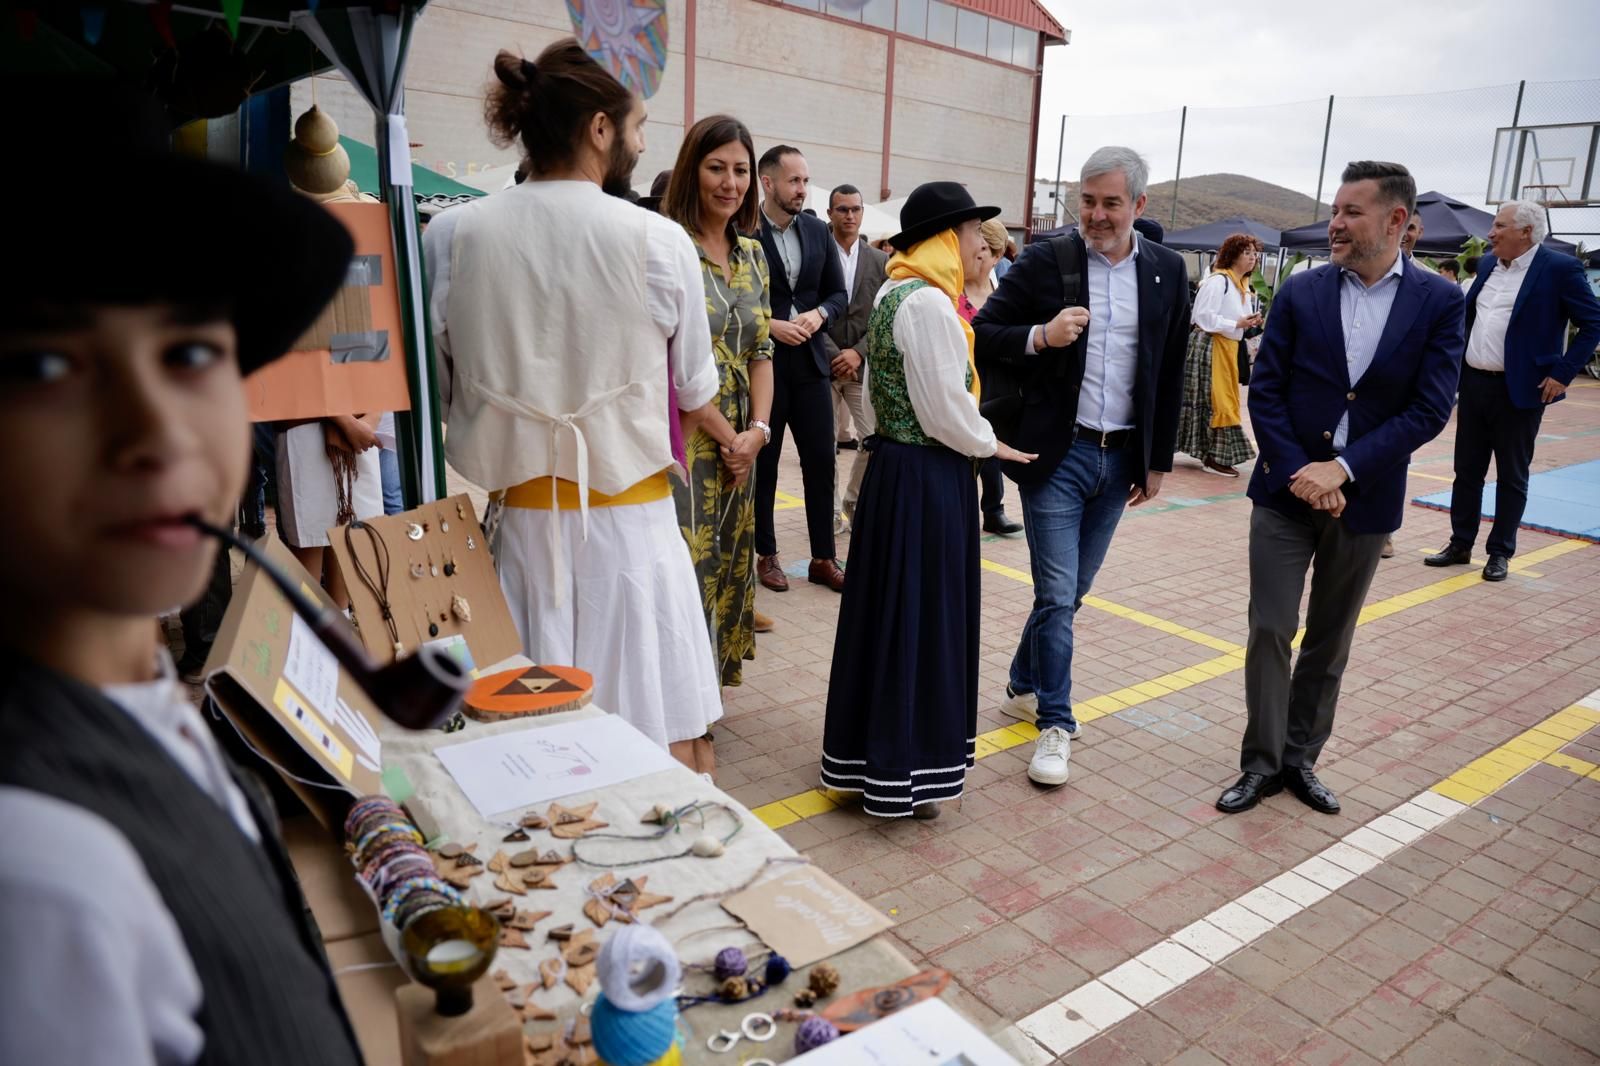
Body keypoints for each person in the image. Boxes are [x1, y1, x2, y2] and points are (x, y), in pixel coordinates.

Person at [0, 77, 364, 1065]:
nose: (157, 433)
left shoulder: (141, 696)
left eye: (192, 352)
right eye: (45, 368)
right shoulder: (39, 876)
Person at [424, 41, 724, 769]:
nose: (642, 142)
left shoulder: (453, 234)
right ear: (599, 128)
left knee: (529, 756)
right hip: (634, 536)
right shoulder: (659, 241)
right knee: (655, 753)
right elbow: (694, 392)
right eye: (638, 125)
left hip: (520, 533)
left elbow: (439, 390)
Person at [1216, 161, 1465, 816]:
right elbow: (1267, 391)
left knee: (1330, 640)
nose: (1336, 223)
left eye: (1352, 212)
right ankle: (1261, 763)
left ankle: (1299, 759)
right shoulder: (1302, 291)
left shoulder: (1440, 302)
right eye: (1335, 210)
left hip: (1365, 497)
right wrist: (1303, 470)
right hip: (1283, 490)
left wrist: (1344, 470)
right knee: (1271, 627)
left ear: (1396, 220)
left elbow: (1429, 408)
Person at [973, 146, 1190, 788]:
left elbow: (1169, 370)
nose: (1095, 215)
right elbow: (983, 332)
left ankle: (1022, 681)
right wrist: (1040, 335)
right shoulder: (1048, 259)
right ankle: (1056, 723)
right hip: (1057, 456)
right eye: (1087, 201)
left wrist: (1156, 460)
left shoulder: (1167, 271)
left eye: (1110, 203)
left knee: (1071, 593)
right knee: (1057, 594)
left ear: (1139, 205)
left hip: (1120, 458)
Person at [820, 183, 1036, 819]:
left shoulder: (896, 291)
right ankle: (906, 770)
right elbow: (946, 411)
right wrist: (992, 443)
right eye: (970, 232)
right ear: (945, 237)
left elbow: (895, 397)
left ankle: (867, 760)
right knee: (922, 618)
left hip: (896, 471)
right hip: (928, 478)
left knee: (886, 615)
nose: (976, 245)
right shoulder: (931, 306)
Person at [1423, 200, 1600, 582]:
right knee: (1466, 471)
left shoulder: (1559, 269)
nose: (1491, 233)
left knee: (1511, 475)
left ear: (1526, 232)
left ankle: (1500, 552)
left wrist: (1563, 374)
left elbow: (1593, 324)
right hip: (1474, 383)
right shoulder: (1488, 264)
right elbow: (1469, 317)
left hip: (1521, 389)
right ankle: (1460, 543)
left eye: (1500, 226)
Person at [662, 115, 776, 680]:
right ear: (692, 171)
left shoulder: (753, 254)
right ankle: (679, 696)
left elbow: (761, 352)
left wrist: (758, 432)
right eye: (716, 168)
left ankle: (711, 686)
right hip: (687, 436)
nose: (730, 183)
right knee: (686, 564)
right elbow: (667, 365)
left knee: (729, 558)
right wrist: (733, 438)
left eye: (741, 170)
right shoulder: (668, 247)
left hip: (742, 443)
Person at [752, 146, 850, 593]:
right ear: (768, 182)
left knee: (821, 461)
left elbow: (837, 294)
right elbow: (731, 300)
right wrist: (769, 324)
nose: (802, 189)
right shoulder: (744, 230)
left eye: (805, 181)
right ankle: (766, 554)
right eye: (794, 181)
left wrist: (819, 315)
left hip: (811, 365)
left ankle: (823, 558)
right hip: (764, 365)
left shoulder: (816, 231)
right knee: (766, 463)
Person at [820, 183, 890, 534]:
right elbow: (806, 308)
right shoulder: (818, 255)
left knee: (873, 439)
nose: (849, 215)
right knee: (823, 446)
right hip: (822, 363)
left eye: (855, 209)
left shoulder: (880, 261)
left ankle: (853, 499)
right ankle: (831, 511)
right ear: (830, 213)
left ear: (862, 213)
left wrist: (858, 352)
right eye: (842, 209)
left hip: (861, 366)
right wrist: (836, 354)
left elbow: (883, 314)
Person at [1178, 233, 1263, 478]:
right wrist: (1236, 323)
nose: (1252, 258)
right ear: (1233, 255)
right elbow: (1203, 317)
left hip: (1227, 347)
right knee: (1215, 400)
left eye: (1254, 254)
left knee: (1222, 399)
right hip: (1210, 346)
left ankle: (1214, 454)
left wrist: (1248, 322)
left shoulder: (1241, 285)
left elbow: (1237, 320)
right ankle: (1213, 455)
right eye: (1247, 253)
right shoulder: (1218, 281)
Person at [960, 218, 1023, 535]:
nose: (979, 253)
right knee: (966, 445)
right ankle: (962, 508)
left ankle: (994, 509)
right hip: (964, 378)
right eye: (977, 246)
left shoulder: (1003, 296)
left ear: (997, 256)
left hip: (996, 380)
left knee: (993, 441)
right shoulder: (953, 292)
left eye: (986, 248)